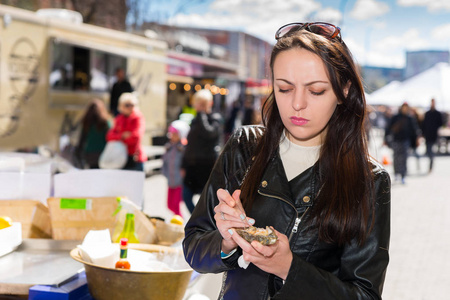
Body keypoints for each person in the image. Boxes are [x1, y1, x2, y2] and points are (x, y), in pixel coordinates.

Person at [183, 22, 391, 299]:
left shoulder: (369, 180)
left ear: (344, 91)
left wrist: (289, 268)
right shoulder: (245, 147)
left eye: (316, 91)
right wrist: (227, 239)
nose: (297, 104)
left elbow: (364, 294)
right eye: (284, 88)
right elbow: (194, 247)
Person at [181, 89, 222, 214]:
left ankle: (204, 223)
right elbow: (190, 144)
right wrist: (183, 165)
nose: (199, 106)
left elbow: (208, 133)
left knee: (207, 199)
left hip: (207, 165)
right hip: (192, 165)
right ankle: (198, 218)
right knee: (186, 195)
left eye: (202, 103)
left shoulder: (215, 118)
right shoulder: (195, 120)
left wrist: (202, 114)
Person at [106, 92, 146, 171]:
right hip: (120, 157)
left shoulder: (138, 117)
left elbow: (136, 137)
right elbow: (109, 136)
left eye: (132, 105)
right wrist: (122, 136)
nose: (130, 107)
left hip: (135, 158)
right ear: (121, 105)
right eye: (127, 105)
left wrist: (119, 138)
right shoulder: (118, 119)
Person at [162, 120, 190, 216]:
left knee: (176, 205)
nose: (172, 136)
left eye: (174, 134)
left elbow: (187, 163)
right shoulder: (168, 147)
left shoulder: (183, 148)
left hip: (179, 182)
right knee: (169, 205)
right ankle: (177, 221)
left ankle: (179, 223)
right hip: (170, 180)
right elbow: (164, 161)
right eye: (171, 134)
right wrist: (164, 172)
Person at [385, 102, 418, 184]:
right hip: (396, 140)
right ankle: (396, 174)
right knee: (396, 158)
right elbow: (388, 128)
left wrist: (416, 140)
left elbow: (414, 130)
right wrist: (385, 139)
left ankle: (403, 175)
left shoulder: (410, 118)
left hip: (405, 141)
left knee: (404, 158)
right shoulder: (396, 117)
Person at [75, 99, 112, 169]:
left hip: (90, 155)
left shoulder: (86, 123)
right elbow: (110, 138)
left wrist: (78, 153)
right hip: (103, 154)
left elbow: (82, 139)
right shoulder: (106, 122)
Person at [422, 98, 443, 172]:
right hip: (428, 135)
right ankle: (431, 161)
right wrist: (423, 133)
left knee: (431, 150)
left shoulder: (437, 113)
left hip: (434, 135)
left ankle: (431, 164)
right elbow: (424, 124)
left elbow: (440, 123)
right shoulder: (427, 113)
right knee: (428, 150)